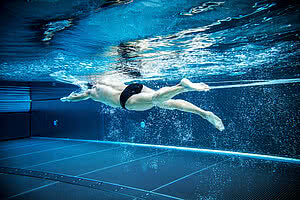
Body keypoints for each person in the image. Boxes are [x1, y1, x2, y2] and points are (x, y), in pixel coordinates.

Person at [61, 78, 225, 131]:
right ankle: (204, 113)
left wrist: (69, 99)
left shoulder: (93, 91)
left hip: (125, 101)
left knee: (156, 99)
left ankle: (181, 86)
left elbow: (80, 97)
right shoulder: (106, 78)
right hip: (133, 86)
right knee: (169, 103)